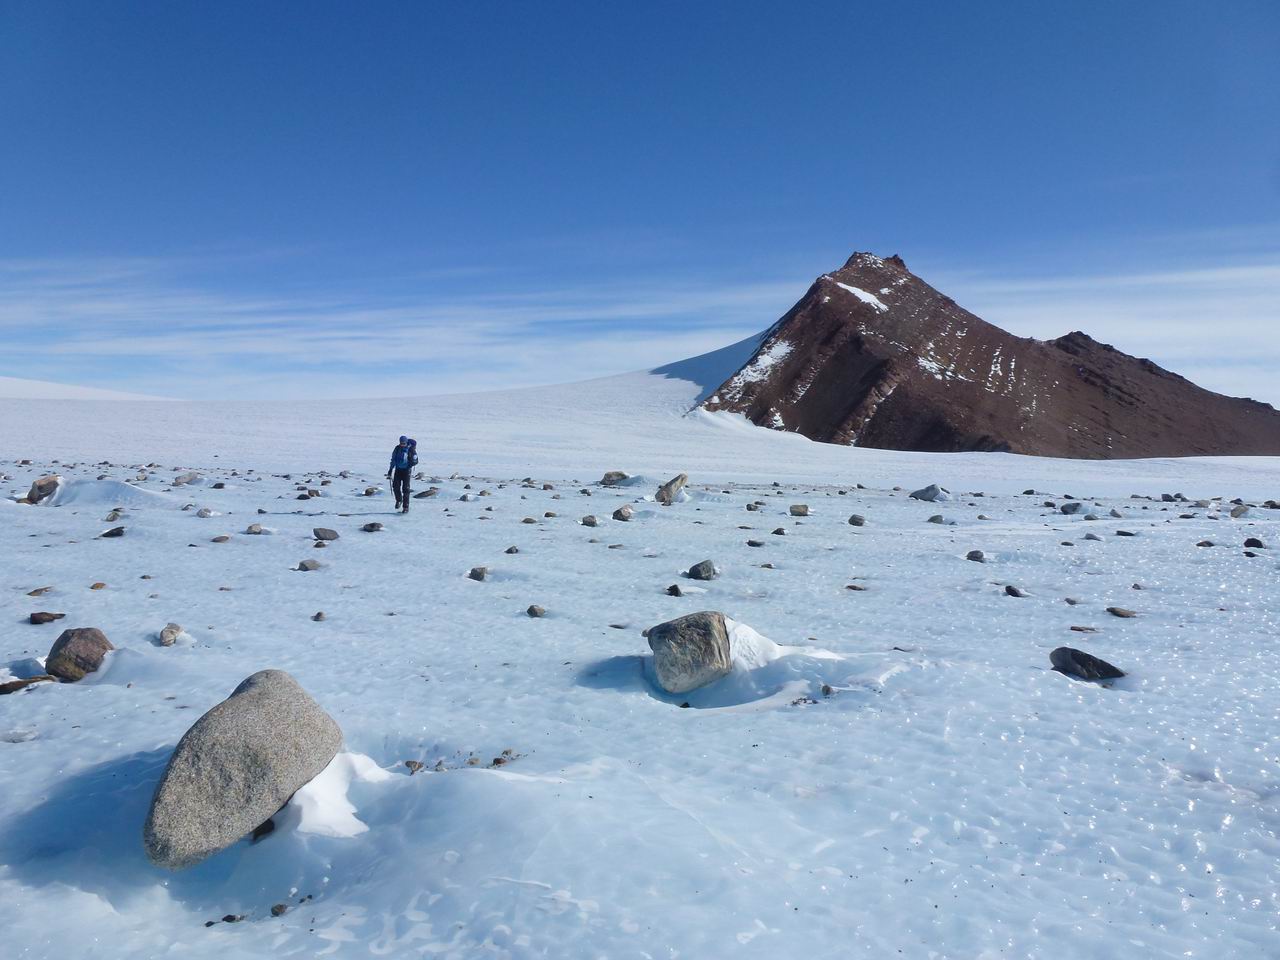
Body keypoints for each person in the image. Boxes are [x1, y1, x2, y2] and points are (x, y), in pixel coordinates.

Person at [387, 435, 418, 513]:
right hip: (398, 470)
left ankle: (405, 507)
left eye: (403, 443)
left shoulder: (410, 449)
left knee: (406, 489)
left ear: (406, 442)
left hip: (406, 471)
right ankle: (399, 500)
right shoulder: (397, 449)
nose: (402, 444)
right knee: (395, 487)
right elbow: (393, 459)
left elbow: (415, 460)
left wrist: (409, 465)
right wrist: (390, 469)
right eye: (401, 443)